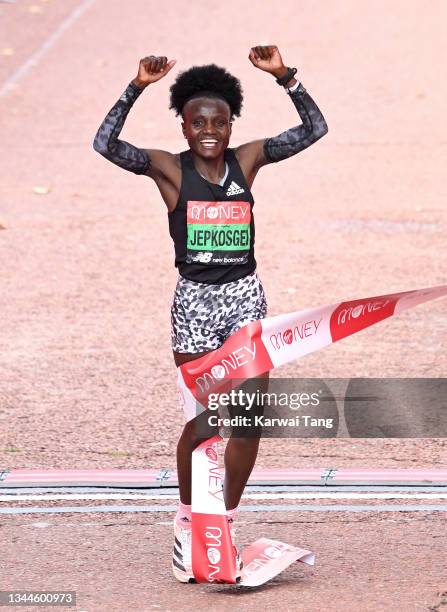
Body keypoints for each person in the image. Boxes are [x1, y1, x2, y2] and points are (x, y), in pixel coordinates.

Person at [93, 45, 328, 583]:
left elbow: (314, 129)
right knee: (206, 424)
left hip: (245, 299)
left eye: (218, 122)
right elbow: (104, 144)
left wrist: (286, 77)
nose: (208, 131)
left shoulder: (247, 160)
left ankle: (220, 522)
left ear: (230, 125)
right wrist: (137, 86)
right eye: (197, 122)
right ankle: (185, 522)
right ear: (183, 125)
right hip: (195, 305)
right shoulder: (168, 170)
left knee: (245, 422)